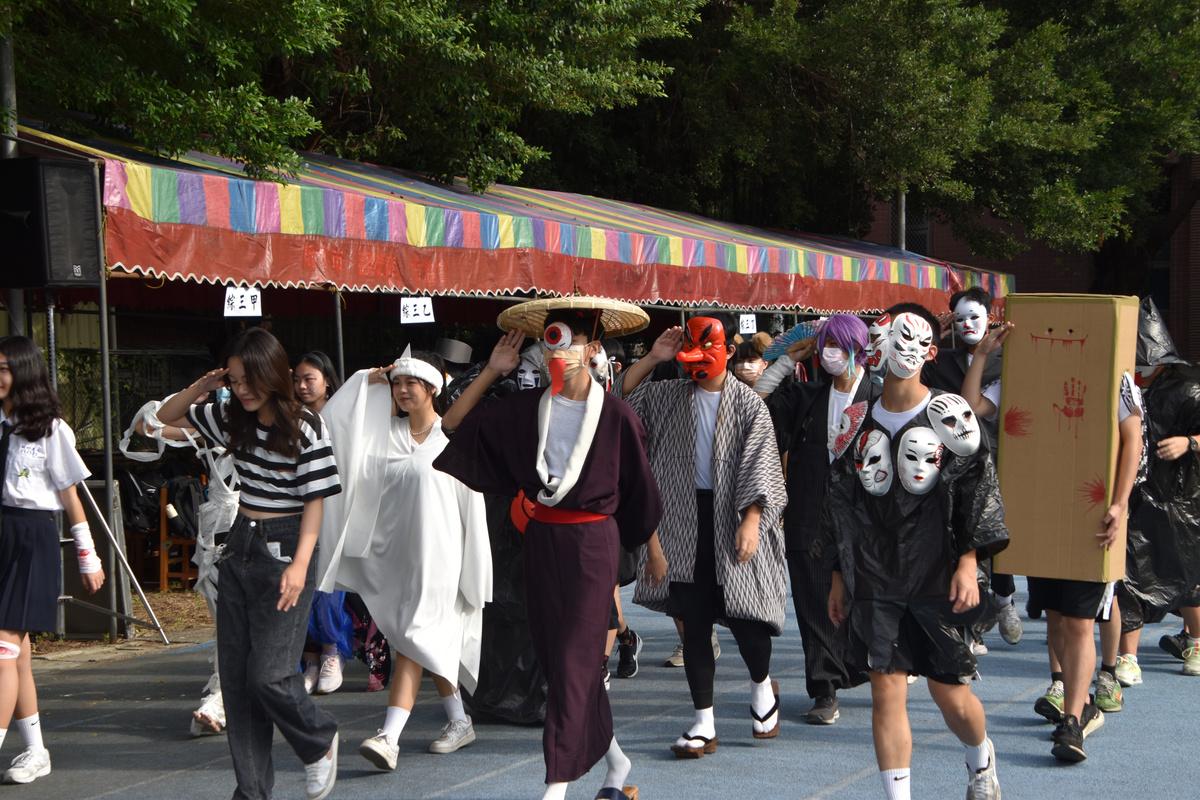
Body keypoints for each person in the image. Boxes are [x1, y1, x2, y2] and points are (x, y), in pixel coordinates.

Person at [434, 298, 662, 800]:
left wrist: (650, 549)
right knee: (559, 663)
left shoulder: (617, 415)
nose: (557, 350)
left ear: (592, 347)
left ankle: (555, 787)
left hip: (592, 546)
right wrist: (492, 371)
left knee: (577, 660)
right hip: (541, 541)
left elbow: (642, 493)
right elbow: (450, 425)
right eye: (550, 339)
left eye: (569, 340)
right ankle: (616, 763)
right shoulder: (526, 409)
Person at [822, 305, 1007, 799]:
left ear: (930, 351)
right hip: (876, 573)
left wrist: (968, 561)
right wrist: (839, 574)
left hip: (936, 571)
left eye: (911, 338)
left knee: (950, 694)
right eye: (887, 336)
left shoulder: (951, 416)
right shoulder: (856, 421)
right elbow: (840, 501)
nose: (897, 347)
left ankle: (981, 759)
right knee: (886, 687)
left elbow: (978, 492)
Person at [157, 328, 341, 800]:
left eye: (249, 379)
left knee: (270, 674)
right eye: (235, 380)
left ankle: (318, 740)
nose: (242, 389)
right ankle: (252, 790)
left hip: (287, 544)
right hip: (240, 542)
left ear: (272, 372)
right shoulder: (229, 415)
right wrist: (203, 386)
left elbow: (316, 501)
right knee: (238, 683)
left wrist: (300, 565)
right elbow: (164, 416)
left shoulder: (305, 425)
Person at [620, 313, 788, 758]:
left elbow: (763, 466)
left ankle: (761, 686)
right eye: (688, 350)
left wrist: (752, 519)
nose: (695, 359)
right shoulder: (666, 395)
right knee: (693, 623)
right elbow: (621, 401)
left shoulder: (750, 404)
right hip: (681, 517)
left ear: (729, 351)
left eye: (706, 348)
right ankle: (703, 721)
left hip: (734, 514)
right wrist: (653, 357)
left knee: (748, 618)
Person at [316, 347, 492, 770]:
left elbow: (472, 513)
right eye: (398, 383)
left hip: (441, 563)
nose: (403, 390)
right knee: (423, 639)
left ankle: (389, 737)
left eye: (412, 382)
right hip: (395, 562)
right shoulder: (382, 438)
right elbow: (333, 424)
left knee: (414, 638)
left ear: (432, 388)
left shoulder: (451, 444)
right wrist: (366, 379)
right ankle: (459, 720)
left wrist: (474, 573)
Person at [0, 336, 104, 785]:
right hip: (2, 532)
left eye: (3, 368)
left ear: (24, 371)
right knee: (16, 652)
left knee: (2, 648)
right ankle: (35, 750)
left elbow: (70, 496)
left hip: (32, 536)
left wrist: (88, 556)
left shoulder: (50, 429)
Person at [760, 314, 873, 725]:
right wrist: (787, 361)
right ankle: (824, 688)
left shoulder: (880, 397)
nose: (830, 354)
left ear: (858, 350)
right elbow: (757, 405)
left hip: (865, 518)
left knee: (863, 601)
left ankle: (868, 666)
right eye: (825, 346)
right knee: (812, 601)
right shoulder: (807, 396)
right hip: (809, 513)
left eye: (838, 346)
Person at [926, 288, 1022, 651]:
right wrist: (934, 334)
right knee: (960, 532)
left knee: (993, 526)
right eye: (960, 319)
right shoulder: (944, 361)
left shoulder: (1008, 357)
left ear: (990, 318)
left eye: (975, 317)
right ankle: (974, 624)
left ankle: (1004, 596)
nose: (968, 325)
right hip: (951, 458)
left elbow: (977, 406)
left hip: (997, 454)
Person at [1116, 298, 1200, 680]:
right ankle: (1127, 656)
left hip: (1184, 499)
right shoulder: (1125, 385)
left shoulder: (1189, 387)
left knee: (1188, 577)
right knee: (1132, 576)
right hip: (1139, 495)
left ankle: (1195, 642)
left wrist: (1190, 442)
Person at [293, 352, 354, 695]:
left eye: (309, 379)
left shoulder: (342, 415)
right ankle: (310, 658)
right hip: (299, 507)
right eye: (297, 380)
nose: (302, 386)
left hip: (334, 506)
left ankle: (333, 651)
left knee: (329, 587)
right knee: (301, 586)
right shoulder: (291, 417)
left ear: (327, 380)